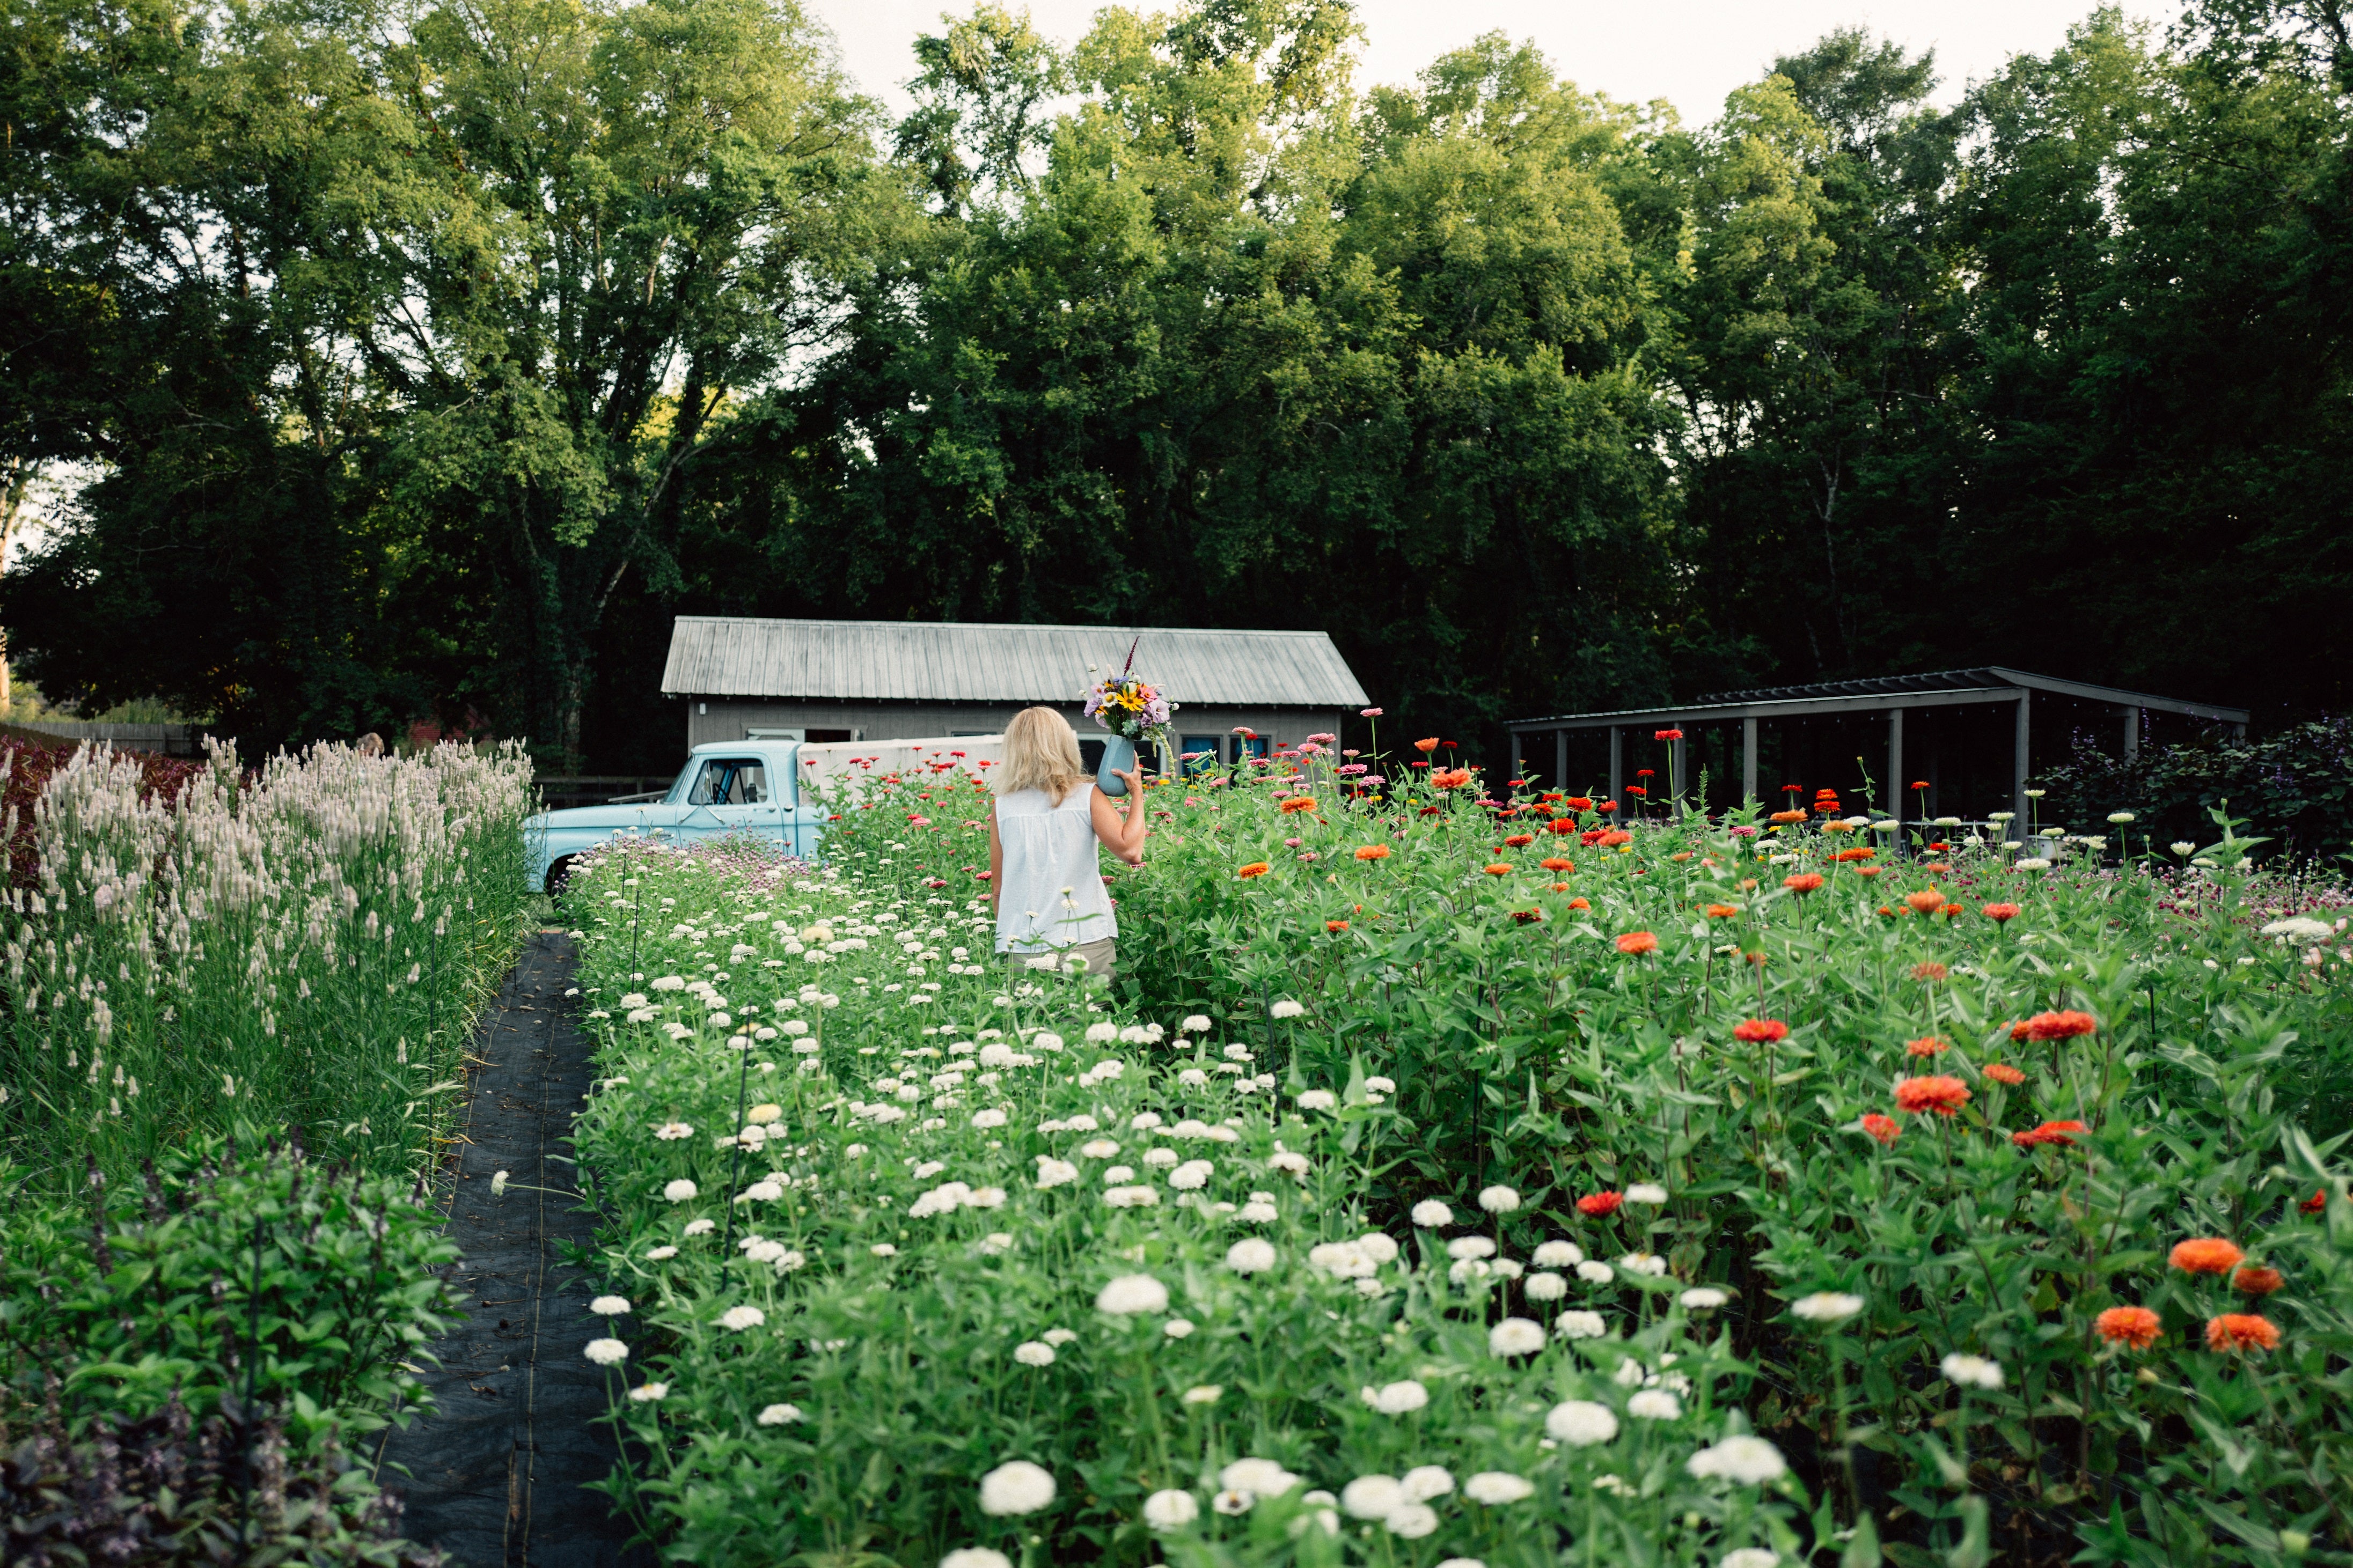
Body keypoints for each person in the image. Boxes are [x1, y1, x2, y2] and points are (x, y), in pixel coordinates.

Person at [987, 706, 1146, 977]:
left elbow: (999, 889)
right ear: (1065, 745)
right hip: (1086, 942)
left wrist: (1011, 941)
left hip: (1026, 948)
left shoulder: (1002, 808)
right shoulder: (1087, 796)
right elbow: (1131, 851)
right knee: (1093, 1019)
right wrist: (1137, 792)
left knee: (1034, 1020)